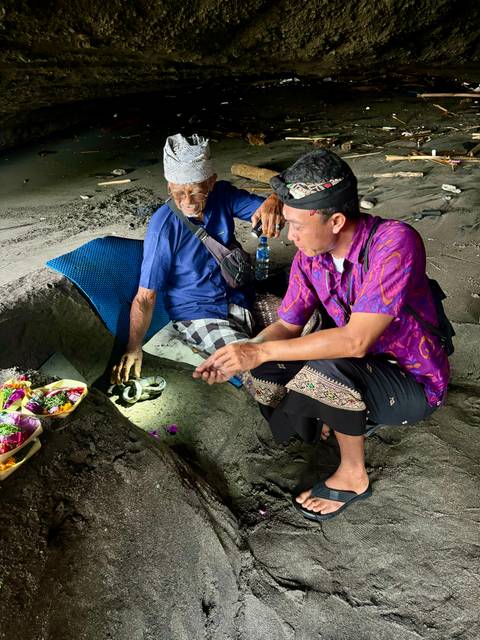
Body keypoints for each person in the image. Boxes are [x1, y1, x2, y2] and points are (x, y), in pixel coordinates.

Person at [193, 148, 450, 522]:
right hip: (359, 366)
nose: (289, 234)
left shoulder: (394, 243)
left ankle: (353, 476)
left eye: (297, 224)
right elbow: (288, 325)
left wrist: (261, 352)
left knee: (326, 368)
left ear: (336, 220)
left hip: (410, 379)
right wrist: (243, 352)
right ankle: (338, 414)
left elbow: (356, 341)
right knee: (264, 369)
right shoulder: (310, 257)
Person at [112, 133, 283, 384]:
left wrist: (276, 198)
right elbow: (145, 297)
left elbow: (274, 211)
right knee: (262, 371)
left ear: (211, 182)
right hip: (200, 313)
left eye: (195, 191)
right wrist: (133, 347)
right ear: (169, 186)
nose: (187, 202)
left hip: (241, 298)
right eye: (179, 192)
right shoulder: (164, 226)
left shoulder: (223, 195)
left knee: (308, 320)